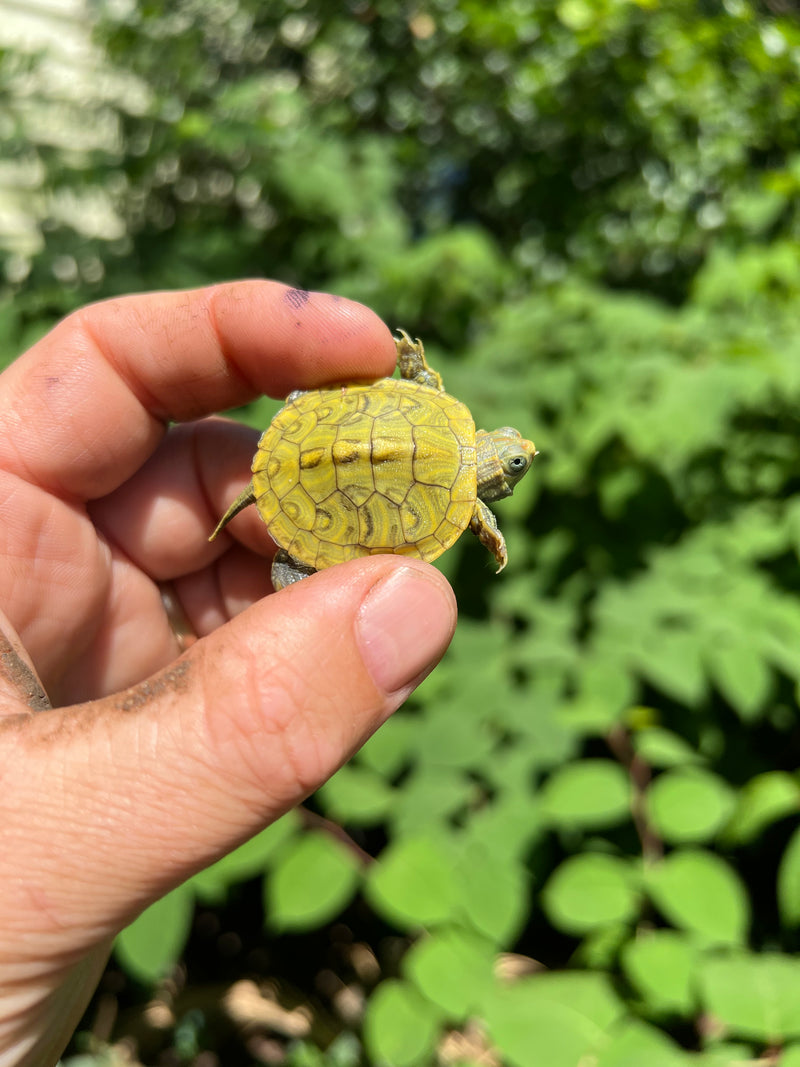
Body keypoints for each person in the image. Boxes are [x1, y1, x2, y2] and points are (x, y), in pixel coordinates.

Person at [0, 281, 457, 1066]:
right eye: (510, 460)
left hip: (325, 448)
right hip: (336, 467)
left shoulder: (438, 419)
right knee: (310, 574)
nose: (513, 463)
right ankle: (294, 578)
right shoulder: (454, 487)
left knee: (329, 491)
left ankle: (293, 568)